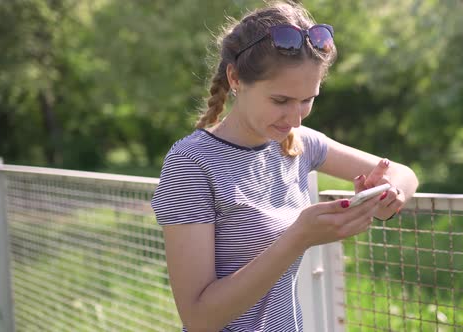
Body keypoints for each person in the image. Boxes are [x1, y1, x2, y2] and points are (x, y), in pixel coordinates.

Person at [151, 1, 419, 331]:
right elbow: (199, 318)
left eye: (308, 100)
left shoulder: (300, 142)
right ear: (235, 78)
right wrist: (297, 238)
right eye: (280, 101)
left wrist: (384, 201)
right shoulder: (191, 164)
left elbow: (404, 174)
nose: (294, 118)